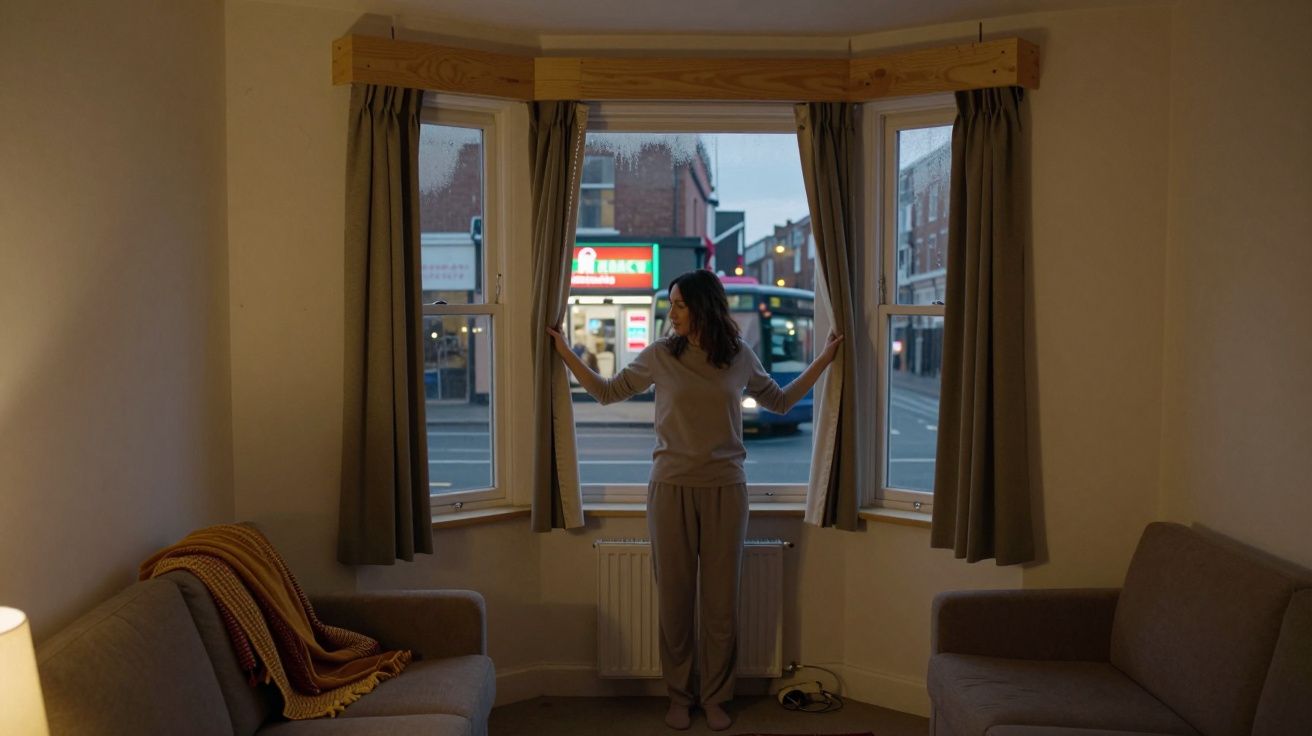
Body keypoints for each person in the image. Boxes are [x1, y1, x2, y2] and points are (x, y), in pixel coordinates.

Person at [547, 269, 842, 731]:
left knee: (722, 606)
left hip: (727, 489)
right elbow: (606, 393)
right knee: (675, 603)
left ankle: (716, 696)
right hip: (671, 489)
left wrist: (823, 360)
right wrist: (565, 352)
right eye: (672, 304)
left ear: (704, 305)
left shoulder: (739, 356)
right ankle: (680, 696)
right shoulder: (662, 355)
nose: (672, 313)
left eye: (680, 304)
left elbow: (781, 402)